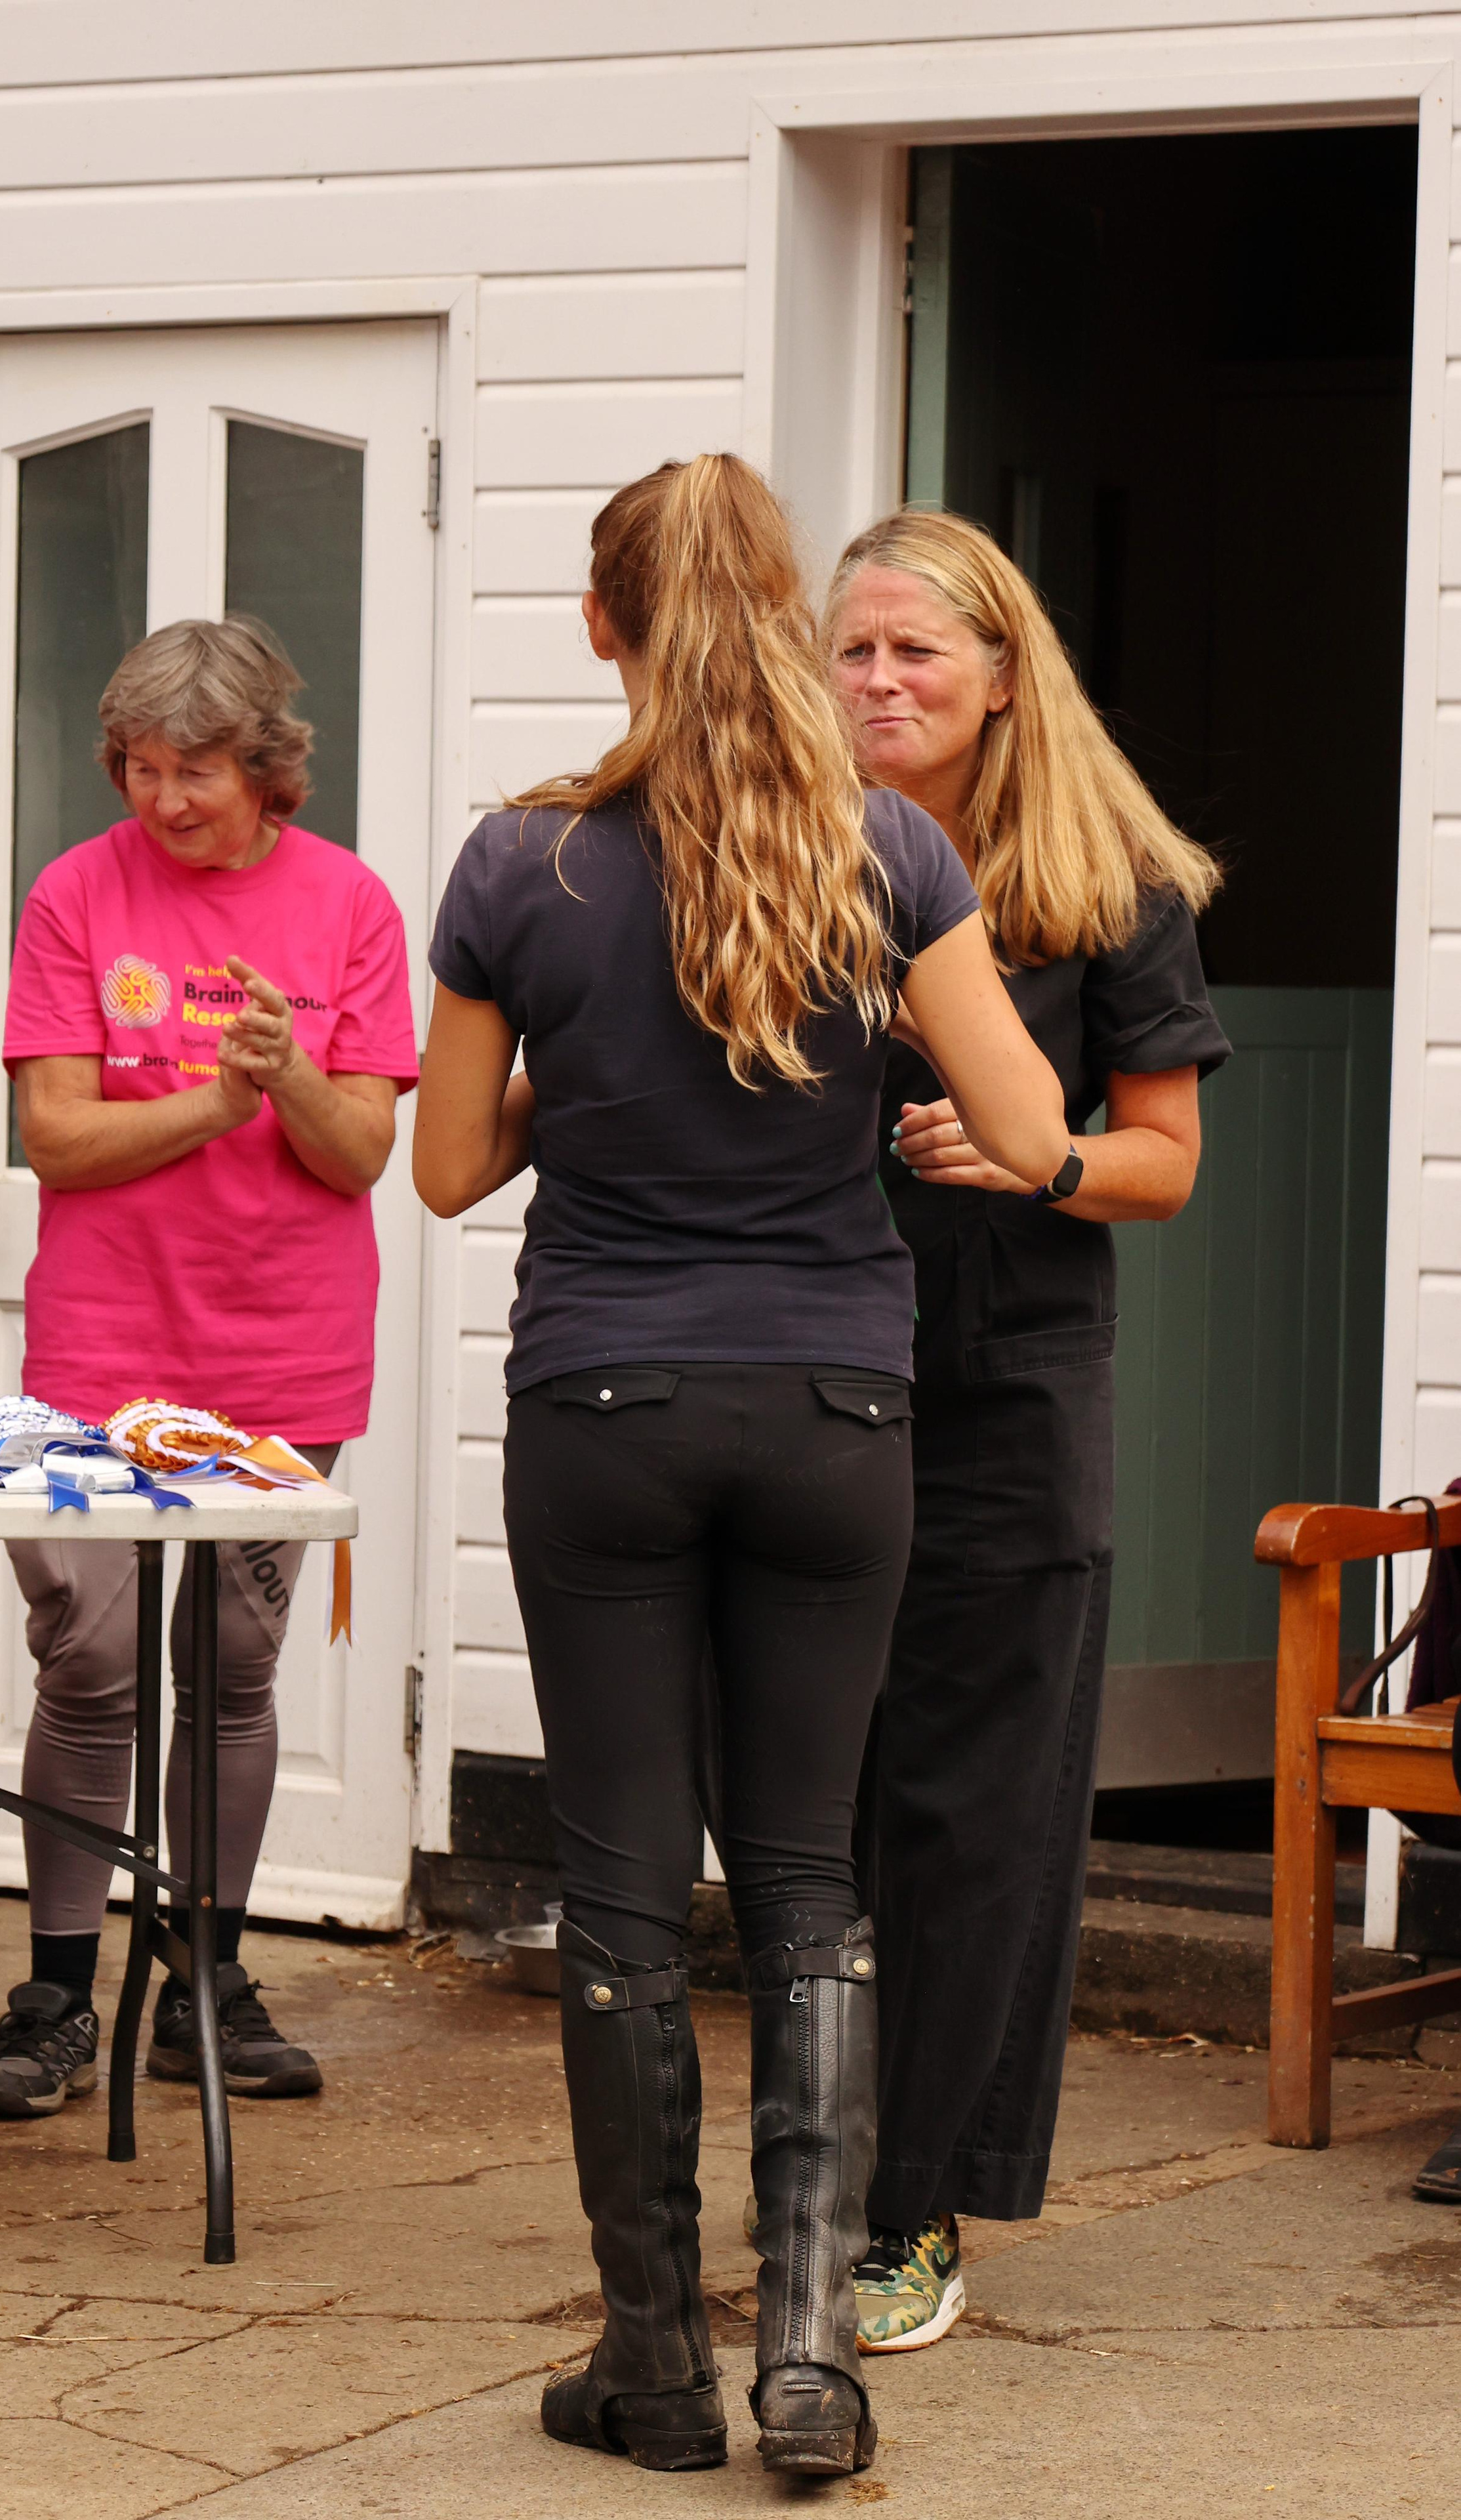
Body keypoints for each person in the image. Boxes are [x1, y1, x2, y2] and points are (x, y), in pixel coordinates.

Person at [413, 456, 1071, 2477]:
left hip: (603, 1410)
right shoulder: (884, 846)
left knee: (622, 1888)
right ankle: (810, 2354)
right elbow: (1040, 1132)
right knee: (807, 1877)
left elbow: (444, 1169)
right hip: (837, 1413)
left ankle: (647, 2364)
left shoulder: (524, 866)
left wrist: (575, 1080)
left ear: (607, 626)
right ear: (788, 616)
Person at [822, 509, 1231, 2351]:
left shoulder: (1109, 878)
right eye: (854, 650)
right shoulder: (787, 860)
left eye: (921, 652)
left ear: (1002, 675)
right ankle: (807, 2167)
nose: (884, 681)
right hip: (806, 1381)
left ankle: (916, 2214)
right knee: (810, 1803)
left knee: (970, 1817)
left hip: (1007, 1392)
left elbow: (1166, 1164)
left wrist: (1035, 1156)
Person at [0, 616, 419, 2120]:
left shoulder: (347, 904)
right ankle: (52, 1994)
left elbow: (364, 1156)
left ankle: (205, 1973)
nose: (166, 800)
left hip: (279, 1350)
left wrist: (286, 1077)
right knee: (87, 1662)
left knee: (228, 1670)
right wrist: (218, 1104)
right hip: (98, 1348)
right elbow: (60, 1140)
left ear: (267, 766)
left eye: (199, 771)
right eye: (145, 768)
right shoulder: (75, 894)